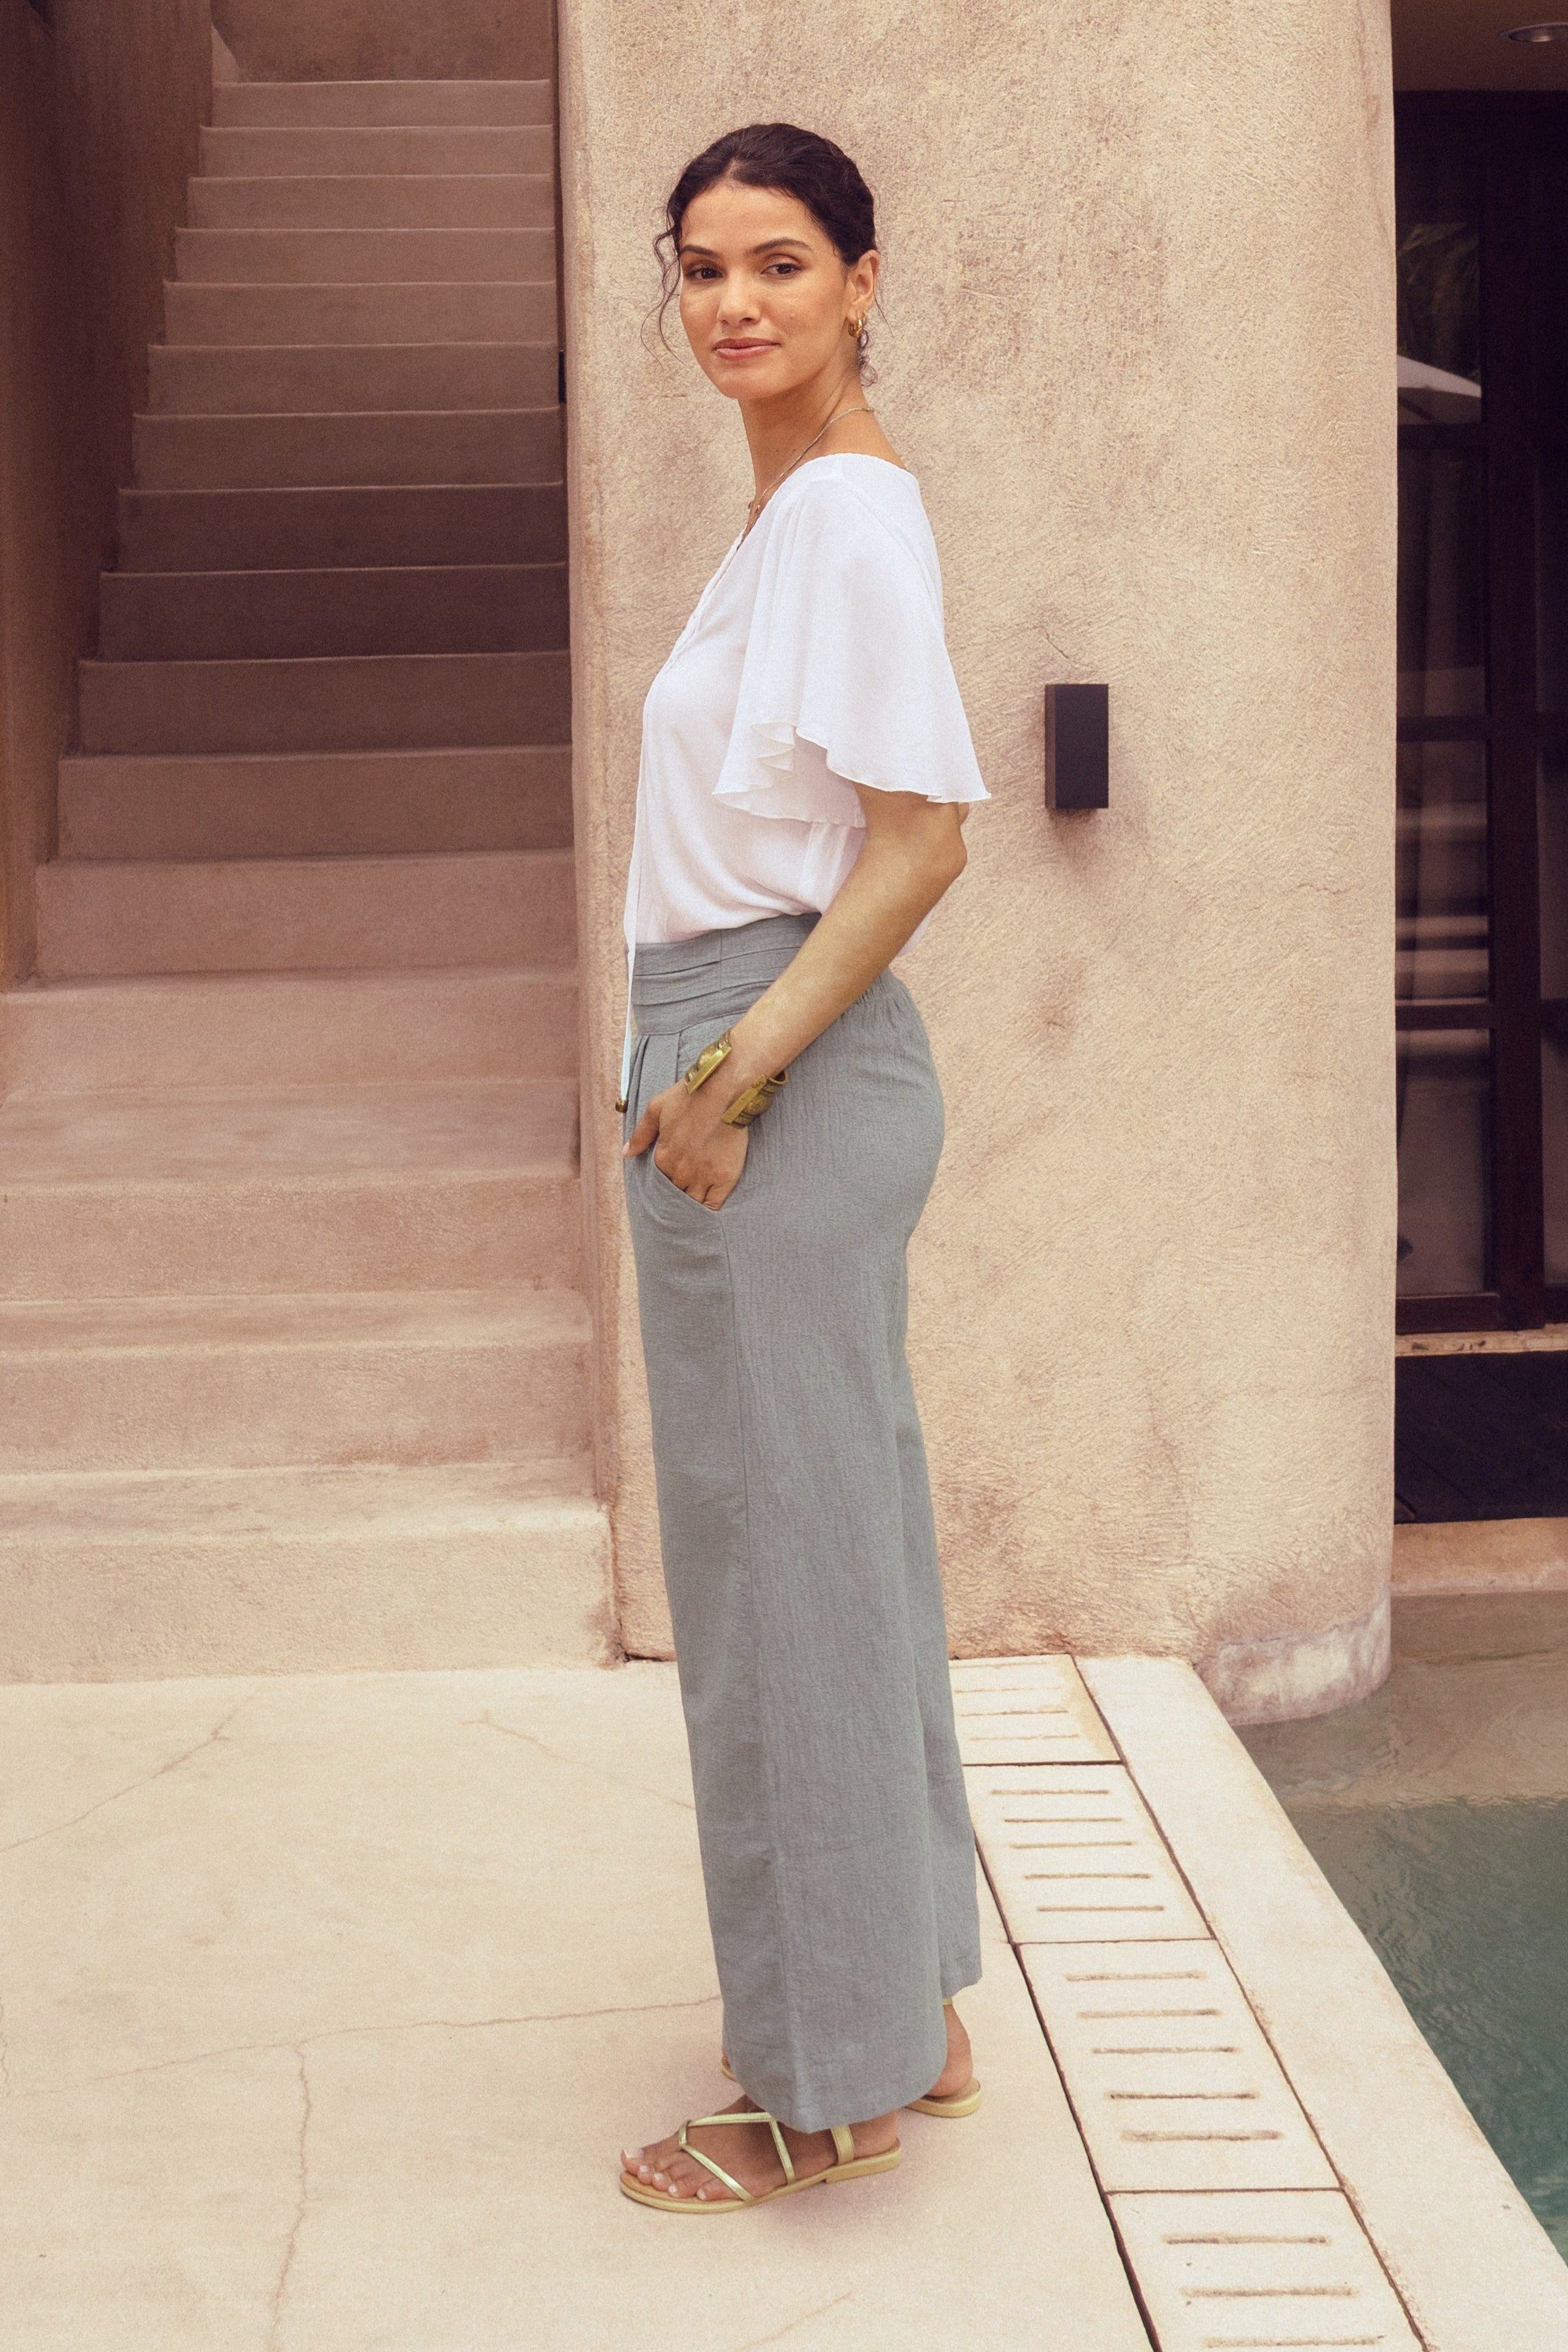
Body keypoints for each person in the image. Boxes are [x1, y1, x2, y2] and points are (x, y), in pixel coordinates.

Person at [615, 121, 989, 2214]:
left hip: (774, 1070)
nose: (734, 302)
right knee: (835, 1552)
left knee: (783, 1585)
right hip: (754, 1055)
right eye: (699, 269)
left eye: (777, 262)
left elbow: (923, 836)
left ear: (862, 275)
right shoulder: (788, 522)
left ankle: (817, 2090)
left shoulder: (843, 517)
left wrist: (726, 1082)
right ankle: (901, 2019)